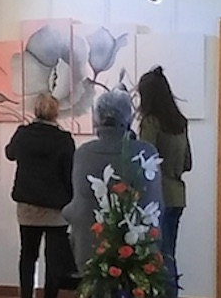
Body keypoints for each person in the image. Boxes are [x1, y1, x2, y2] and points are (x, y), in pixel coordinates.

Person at [63, 89, 164, 284]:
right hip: (139, 250)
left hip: (91, 250)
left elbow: (77, 206)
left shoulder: (84, 153)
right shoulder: (146, 152)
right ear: (129, 119)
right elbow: (156, 203)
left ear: (97, 119)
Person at [4, 93, 76, 298]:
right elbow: (69, 173)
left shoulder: (23, 134)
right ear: (56, 113)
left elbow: (9, 153)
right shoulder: (63, 139)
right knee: (53, 260)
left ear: (35, 111)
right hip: (56, 208)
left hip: (27, 205)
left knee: (27, 253)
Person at [137, 66, 192, 298]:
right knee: (169, 253)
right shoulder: (180, 123)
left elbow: (144, 160)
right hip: (177, 195)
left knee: (156, 255)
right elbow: (188, 163)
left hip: (156, 197)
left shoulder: (151, 122)